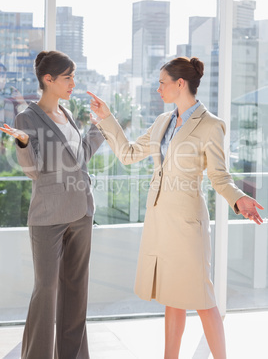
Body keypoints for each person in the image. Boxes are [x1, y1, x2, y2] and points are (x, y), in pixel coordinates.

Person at [88, 56, 264, 359]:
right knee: (173, 296)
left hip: (187, 225)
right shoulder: (162, 122)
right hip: (160, 223)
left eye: (162, 83)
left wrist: (238, 198)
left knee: (202, 298)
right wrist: (107, 118)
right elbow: (128, 154)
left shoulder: (211, 125)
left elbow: (219, 176)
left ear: (180, 84)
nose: (158, 89)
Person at [0, 50, 104, 359]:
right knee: (45, 292)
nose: (74, 82)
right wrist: (21, 144)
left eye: (73, 76)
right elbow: (33, 171)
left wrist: (99, 128)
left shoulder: (68, 114)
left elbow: (80, 157)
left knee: (76, 292)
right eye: (68, 77)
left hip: (82, 212)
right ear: (49, 79)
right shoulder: (26, 118)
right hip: (48, 218)